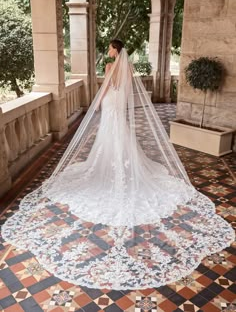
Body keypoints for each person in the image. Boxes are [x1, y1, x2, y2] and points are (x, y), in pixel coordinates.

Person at [1, 39, 234, 290]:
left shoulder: (113, 65)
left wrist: (98, 100)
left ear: (116, 50)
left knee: (110, 135)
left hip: (110, 102)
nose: (109, 51)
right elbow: (123, 88)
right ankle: (120, 164)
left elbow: (107, 87)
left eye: (111, 48)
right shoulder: (127, 67)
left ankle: (108, 167)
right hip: (118, 105)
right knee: (117, 134)